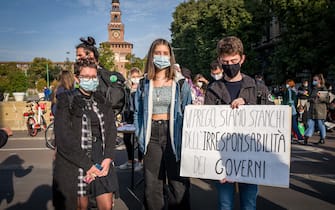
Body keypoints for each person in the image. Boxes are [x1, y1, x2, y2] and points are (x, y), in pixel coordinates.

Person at [53, 58, 118, 210]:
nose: (91, 80)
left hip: (101, 159)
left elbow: (111, 130)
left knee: (106, 206)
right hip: (77, 161)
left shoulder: (102, 100)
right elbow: (64, 137)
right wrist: (87, 165)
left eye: (93, 77)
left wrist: (108, 157)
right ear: (77, 78)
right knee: (81, 207)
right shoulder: (66, 101)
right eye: (86, 77)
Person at [134, 38, 192, 210]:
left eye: (165, 53)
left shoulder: (181, 83)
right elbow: (138, 112)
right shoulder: (144, 83)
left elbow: (188, 111)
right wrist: (140, 135)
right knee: (152, 186)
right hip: (151, 135)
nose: (161, 56)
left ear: (170, 57)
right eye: (157, 53)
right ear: (151, 56)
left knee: (178, 184)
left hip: (173, 134)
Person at [205, 36, 262, 210]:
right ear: (220, 61)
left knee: (249, 205)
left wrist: (248, 105)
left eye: (234, 61)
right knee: (225, 205)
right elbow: (208, 128)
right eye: (226, 61)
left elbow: (267, 120)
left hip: (250, 160)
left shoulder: (256, 87)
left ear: (242, 59)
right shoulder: (213, 90)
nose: (230, 65)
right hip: (222, 162)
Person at [118, 67, 143, 171]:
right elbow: (124, 104)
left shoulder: (142, 88)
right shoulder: (126, 89)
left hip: (139, 116)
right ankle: (130, 161)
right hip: (128, 117)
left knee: (139, 139)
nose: (135, 79)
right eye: (133, 77)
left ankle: (141, 162)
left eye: (137, 76)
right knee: (127, 139)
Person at [304, 74, 328, 145]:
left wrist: (320, 97)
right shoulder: (313, 88)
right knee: (310, 124)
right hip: (312, 109)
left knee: (321, 125)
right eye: (313, 80)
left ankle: (322, 138)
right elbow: (309, 98)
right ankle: (306, 137)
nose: (314, 81)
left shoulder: (323, 88)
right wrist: (311, 99)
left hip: (320, 110)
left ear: (320, 80)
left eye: (315, 80)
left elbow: (327, 100)